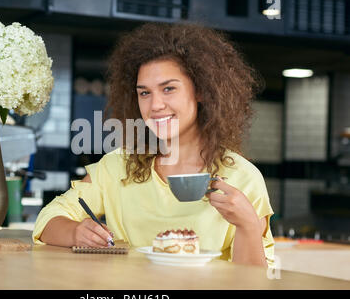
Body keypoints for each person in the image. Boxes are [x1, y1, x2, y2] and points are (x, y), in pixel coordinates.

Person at [33, 22, 275, 268]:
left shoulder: (243, 178)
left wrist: (248, 226)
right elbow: (47, 221)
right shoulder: (118, 166)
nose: (155, 105)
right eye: (145, 93)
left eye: (168, 89)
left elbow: (255, 281)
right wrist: (76, 232)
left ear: (202, 91)